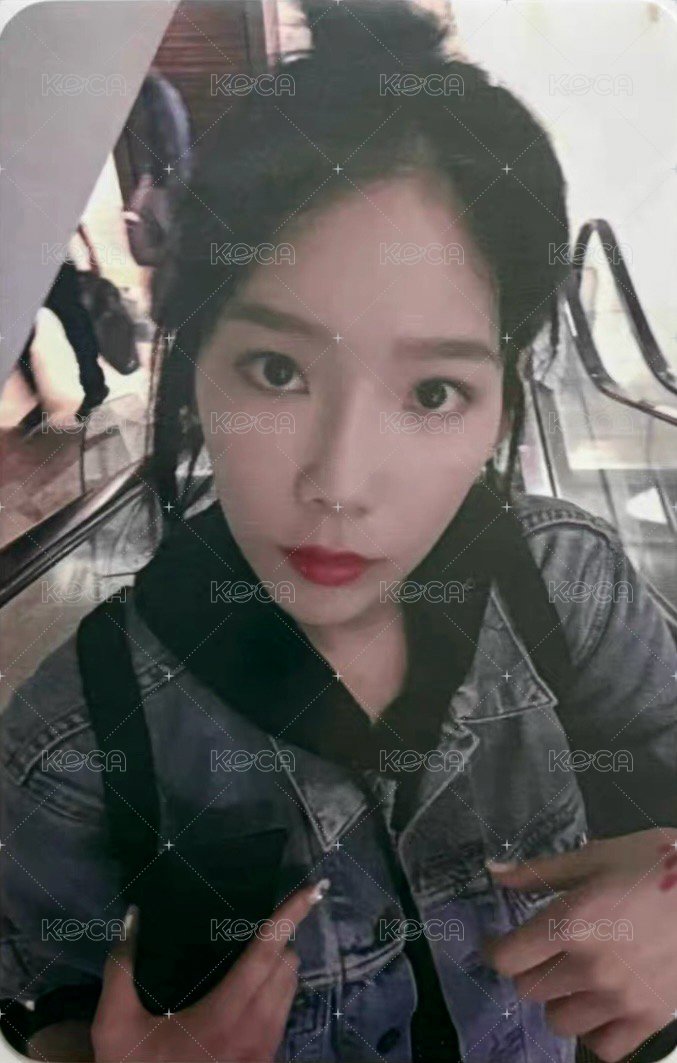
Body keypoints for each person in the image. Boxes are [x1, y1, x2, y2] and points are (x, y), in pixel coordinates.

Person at [2, 2, 677, 1062]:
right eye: (276, 371)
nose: (338, 483)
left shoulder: (566, 584)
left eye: (434, 391)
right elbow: (50, 994)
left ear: (505, 396)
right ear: (196, 362)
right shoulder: (77, 733)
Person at [17, 258, 109, 434]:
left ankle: (94, 387)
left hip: (39, 267)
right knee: (77, 328)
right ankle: (94, 387)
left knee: (76, 328)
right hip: (38, 267)